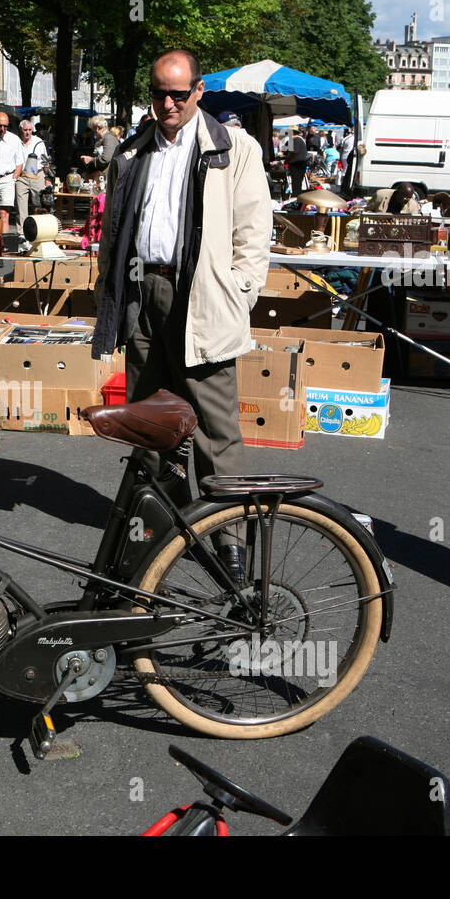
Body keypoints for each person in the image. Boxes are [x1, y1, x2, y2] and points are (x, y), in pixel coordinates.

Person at [91, 48, 270, 581]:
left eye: (178, 93)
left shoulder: (233, 147)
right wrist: (113, 291)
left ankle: (228, 540)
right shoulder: (134, 149)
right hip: (144, 293)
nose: (167, 103)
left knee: (215, 428)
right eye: (158, 93)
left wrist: (238, 290)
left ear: (198, 92)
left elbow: (253, 229)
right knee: (152, 421)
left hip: (204, 298)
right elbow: (116, 229)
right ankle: (164, 527)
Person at [0, 111, 24, 233]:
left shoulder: (14, 139)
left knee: (4, 214)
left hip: (6, 179)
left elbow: (20, 163)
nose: (2, 129)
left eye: (5, 126)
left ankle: (5, 246)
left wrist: (13, 179)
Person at [15, 119, 49, 230]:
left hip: (37, 175)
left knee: (38, 203)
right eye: (25, 130)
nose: (27, 132)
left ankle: (38, 229)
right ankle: (22, 232)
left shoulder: (38, 142)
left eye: (30, 130)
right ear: (21, 130)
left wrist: (47, 178)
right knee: (21, 206)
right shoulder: (16, 141)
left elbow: (45, 161)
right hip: (22, 176)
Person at [284, 125, 309, 195]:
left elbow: (294, 152)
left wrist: (287, 160)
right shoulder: (297, 140)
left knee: (296, 185)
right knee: (297, 184)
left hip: (297, 165)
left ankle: (297, 199)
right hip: (299, 164)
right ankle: (297, 197)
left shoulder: (296, 140)